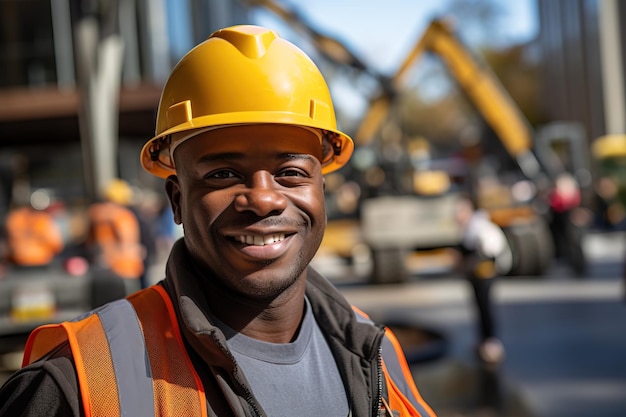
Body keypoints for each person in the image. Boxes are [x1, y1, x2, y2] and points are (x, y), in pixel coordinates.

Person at [0, 25, 436, 417]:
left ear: (322, 190)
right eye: (222, 174)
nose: (264, 199)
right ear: (176, 199)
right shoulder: (81, 379)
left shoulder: (376, 356)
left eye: (291, 173)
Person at [455, 196, 512, 366]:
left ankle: (491, 342)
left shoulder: (480, 227)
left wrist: (469, 262)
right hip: (475, 275)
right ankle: (483, 340)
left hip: (484, 274)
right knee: (479, 307)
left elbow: (488, 251)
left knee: (486, 307)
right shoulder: (469, 228)